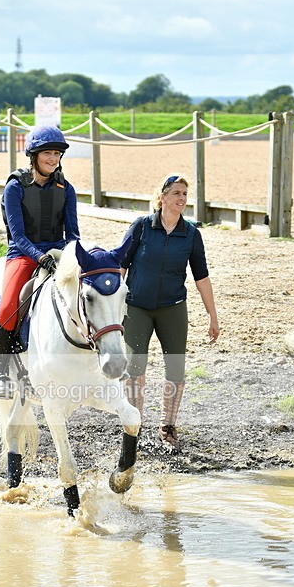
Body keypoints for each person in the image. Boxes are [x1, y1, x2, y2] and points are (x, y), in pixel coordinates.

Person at [120, 174, 220, 452]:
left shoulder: (191, 234)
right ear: (162, 197)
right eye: (176, 193)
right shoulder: (141, 226)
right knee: (135, 367)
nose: (182, 198)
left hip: (173, 308)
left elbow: (201, 277)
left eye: (185, 194)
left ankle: (168, 426)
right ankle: (134, 426)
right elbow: (120, 266)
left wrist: (212, 316)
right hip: (136, 307)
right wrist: (113, 307)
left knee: (175, 367)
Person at [0, 124, 80, 399]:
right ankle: (1, 374)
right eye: (47, 153)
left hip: (57, 253)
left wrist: (71, 255)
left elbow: (73, 233)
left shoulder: (66, 188)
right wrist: (40, 257)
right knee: (9, 304)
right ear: (34, 155)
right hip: (23, 254)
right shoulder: (15, 187)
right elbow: (17, 236)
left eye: (57, 154)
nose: (53, 159)